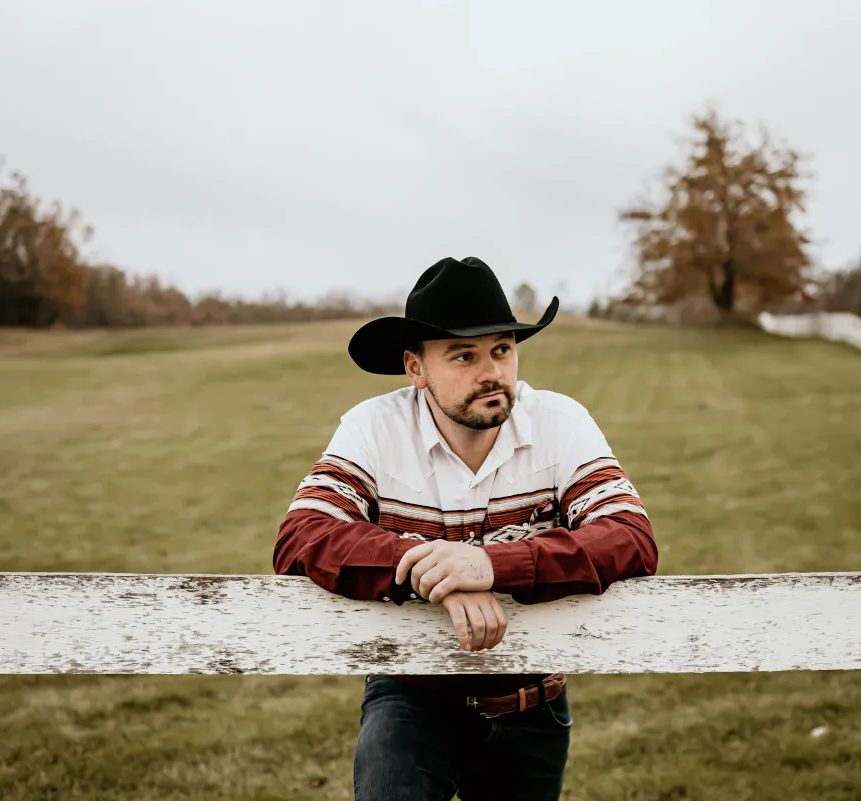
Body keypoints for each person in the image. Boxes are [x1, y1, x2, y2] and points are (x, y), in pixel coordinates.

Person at [273, 256, 658, 801]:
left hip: (531, 700)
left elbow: (628, 535)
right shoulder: (374, 427)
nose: (492, 372)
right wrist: (431, 569)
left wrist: (487, 565)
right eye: (464, 356)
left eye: (502, 350)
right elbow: (303, 534)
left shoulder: (559, 423)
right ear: (415, 368)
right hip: (410, 695)